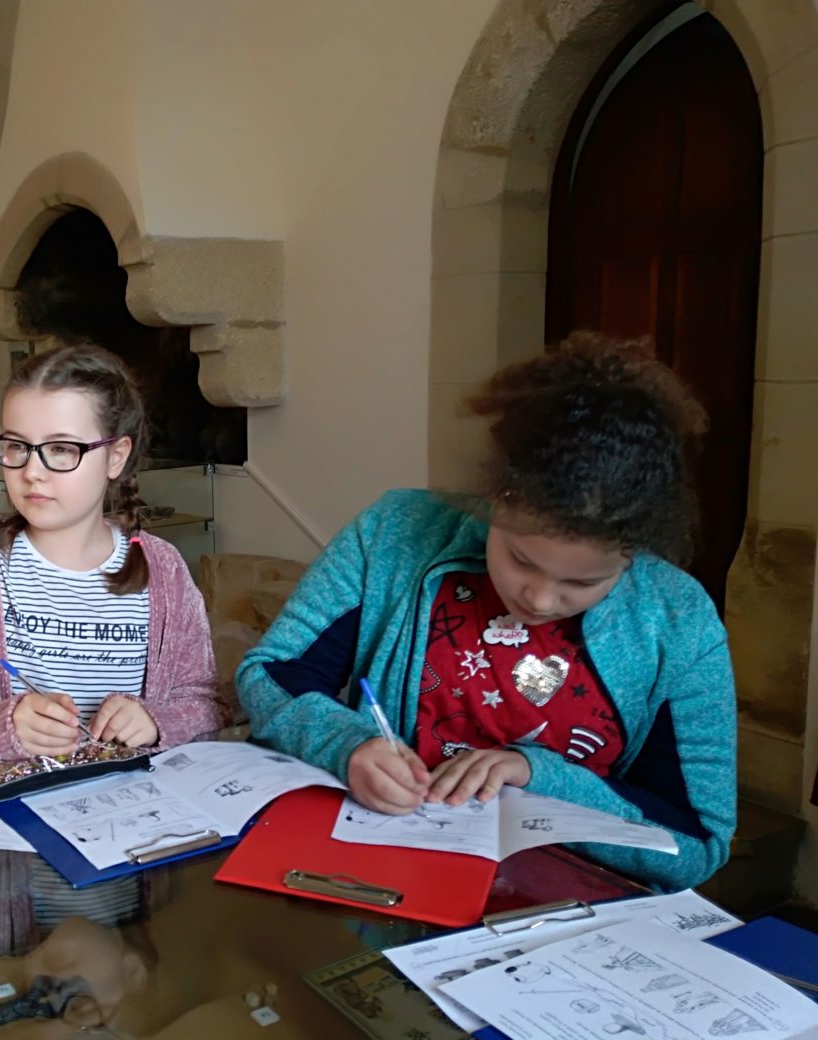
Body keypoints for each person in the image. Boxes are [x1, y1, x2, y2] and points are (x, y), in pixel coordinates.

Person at [237, 333, 735, 891]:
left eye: (583, 582)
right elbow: (271, 673)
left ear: (633, 554)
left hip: (570, 906)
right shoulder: (394, 533)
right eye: (520, 559)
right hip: (390, 874)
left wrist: (538, 776)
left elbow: (696, 844)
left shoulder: (679, 620)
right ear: (495, 496)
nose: (539, 600)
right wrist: (347, 745)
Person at [0, 344, 225, 783]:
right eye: (16, 446)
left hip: (132, 812)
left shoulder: (164, 571)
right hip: (9, 816)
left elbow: (205, 706)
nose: (32, 472)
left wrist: (157, 722)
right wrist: (2, 726)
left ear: (116, 456)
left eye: (62, 449)